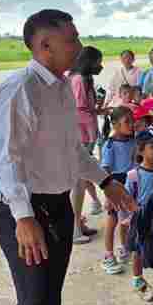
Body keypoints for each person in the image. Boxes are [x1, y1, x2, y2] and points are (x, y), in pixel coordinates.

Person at [0, 9, 136, 305]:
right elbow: (6, 160)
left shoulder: (61, 89)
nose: (78, 45)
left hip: (56, 208)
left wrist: (105, 181)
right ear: (44, 45)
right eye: (70, 39)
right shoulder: (19, 90)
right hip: (27, 213)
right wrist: (23, 217)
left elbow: (73, 151)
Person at [68, 46, 106, 239]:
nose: (100, 66)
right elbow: (80, 110)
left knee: (80, 182)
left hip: (85, 134)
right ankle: (74, 228)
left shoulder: (82, 79)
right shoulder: (79, 80)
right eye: (98, 62)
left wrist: (98, 109)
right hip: (82, 135)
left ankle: (76, 224)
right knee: (78, 182)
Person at [125, 129, 153, 302]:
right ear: (141, 150)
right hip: (142, 219)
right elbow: (127, 197)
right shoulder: (134, 175)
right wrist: (129, 215)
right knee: (138, 251)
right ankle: (138, 280)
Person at [100, 106, 137, 275]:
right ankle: (108, 255)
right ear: (114, 124)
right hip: (115, 183)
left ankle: (124, 247)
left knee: (127, 218)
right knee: (113, 218)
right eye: (126, 122)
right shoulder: (110, 144)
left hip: (131, 181)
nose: (131, 125)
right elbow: (105, 170)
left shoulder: (133, 141)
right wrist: (108, 194)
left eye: (132, 121)